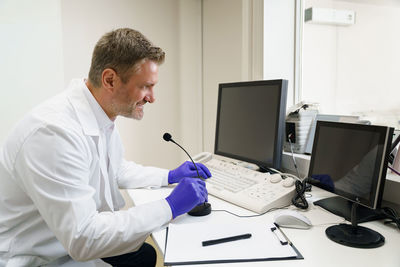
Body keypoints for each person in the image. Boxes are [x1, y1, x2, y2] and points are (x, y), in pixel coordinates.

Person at [0, 28, 211, 267]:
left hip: (63, 242)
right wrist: (169, 206)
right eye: (145, 87)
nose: (152, 97)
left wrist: (169, 175)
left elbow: (116, 169)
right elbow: (84, 238)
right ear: (109, 79)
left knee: (145, 255)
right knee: (144, 256)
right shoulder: (53, 133)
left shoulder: (99, 113)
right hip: (39, 258)